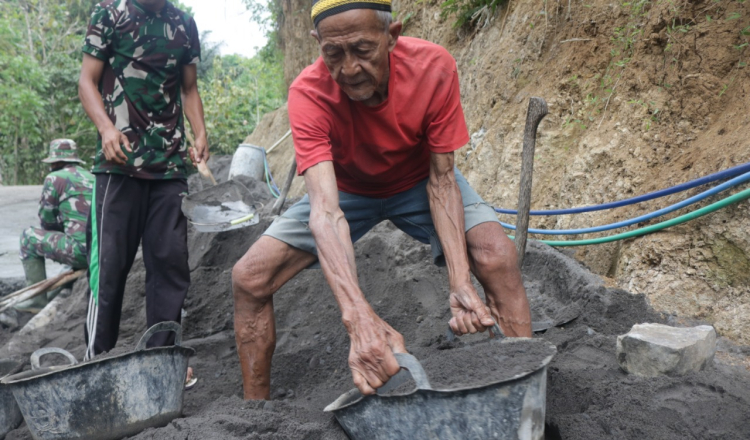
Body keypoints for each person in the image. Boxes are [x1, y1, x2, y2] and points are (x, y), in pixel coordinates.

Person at [231, 0, 533, 400]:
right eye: (333, 53)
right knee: (248, 277)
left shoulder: (433, 68)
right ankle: (255, 411)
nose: (349, 69)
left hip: (417, 181)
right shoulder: (308, 92)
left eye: (362, 50)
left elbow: (442, 181)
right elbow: (325, 209)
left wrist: (460, 282)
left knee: (496, 253)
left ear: (392, 37)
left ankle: (526, 384)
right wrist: (359, 318)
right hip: (346, 190)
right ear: (316, 42)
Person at [78, 0, 209, 365]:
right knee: (109, 269)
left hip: (169, 169)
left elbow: (188, 89)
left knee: (170, 265)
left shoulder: (183, 23)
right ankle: (95, 362)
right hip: (118, 166)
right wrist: (106, 128)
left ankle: (163, 363)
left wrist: (200, 132)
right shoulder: (109, 12)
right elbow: (86, 81)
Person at [17, 139, 94, 313]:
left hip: (80, 251)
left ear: (56, 162)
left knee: (28, 237)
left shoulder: (54, 178)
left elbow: (47, 220)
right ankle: (59, 286)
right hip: (99, 251)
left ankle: (35, 302)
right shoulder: (93, 176)